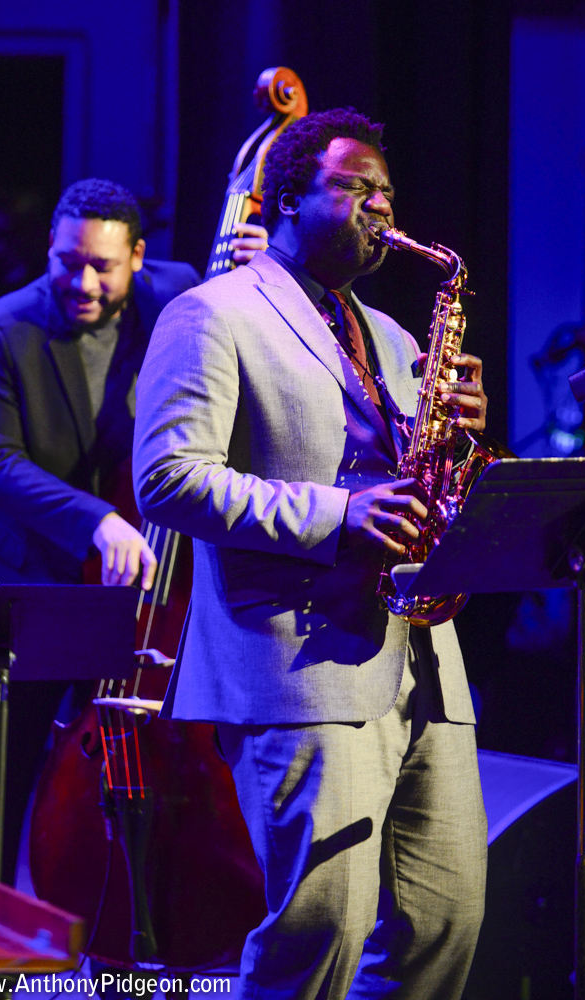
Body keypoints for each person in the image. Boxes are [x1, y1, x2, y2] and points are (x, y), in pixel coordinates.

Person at [132, 110, 488, 1000]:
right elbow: (168, 479)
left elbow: (419, 485)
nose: (381, 207)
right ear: (288, 197)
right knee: (320, 929)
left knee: (445, 921)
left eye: (387, 192)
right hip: (295, 660)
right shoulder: (210, 312)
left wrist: (462, 446)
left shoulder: (397, 338)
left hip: (422, 661)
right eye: (355, 187)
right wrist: (338, 515)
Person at [0, 177, 266, 883]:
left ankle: (112, 916)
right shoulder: (2, 327)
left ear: (138, 258)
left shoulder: (179, 291)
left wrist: (263, 273)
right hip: (26, 574)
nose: (82, 281)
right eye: (68, 261)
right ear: (50, 248)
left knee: (122, 766)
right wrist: (100, 521)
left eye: (102, 266)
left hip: (132, 581)